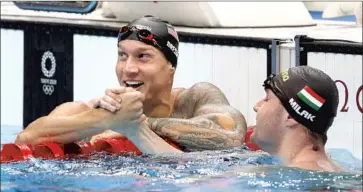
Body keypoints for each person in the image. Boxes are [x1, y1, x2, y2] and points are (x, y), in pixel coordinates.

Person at [15, 15, 247, 154]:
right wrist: (104, 120)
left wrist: (137, 124)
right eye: (122, 56)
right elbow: (26, 139)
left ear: (171, 66)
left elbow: (232, 135)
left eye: (143, 56)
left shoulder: (196, 98)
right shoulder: (96, 110)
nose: (128, 68)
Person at [250, 65, 344, 171]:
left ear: (291, 116)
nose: (256, 106)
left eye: (267, 99)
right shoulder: (336, 168)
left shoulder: (282, 179)